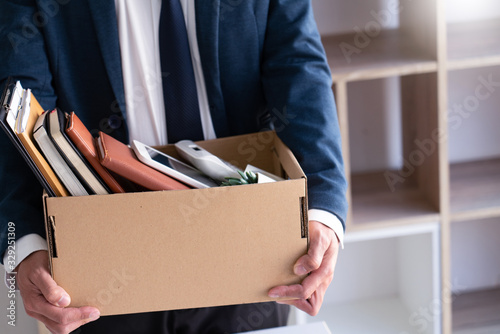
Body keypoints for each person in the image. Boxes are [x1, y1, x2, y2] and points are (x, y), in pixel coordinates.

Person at [0, 0, 348, 333]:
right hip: (103, 257)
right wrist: (24, 245)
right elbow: (17, 103)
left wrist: (323, 211)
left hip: (245, 240)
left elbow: (299, 68)